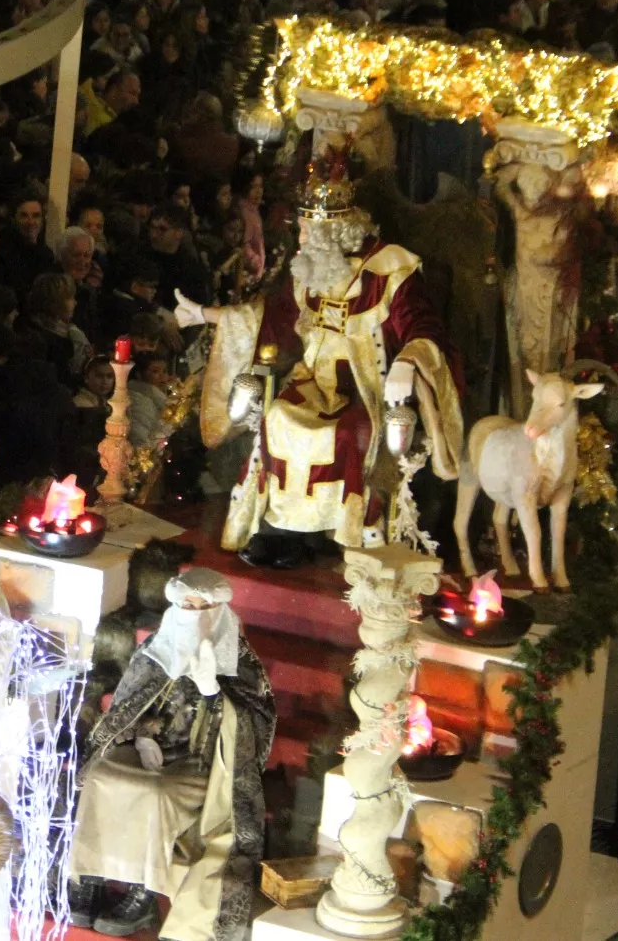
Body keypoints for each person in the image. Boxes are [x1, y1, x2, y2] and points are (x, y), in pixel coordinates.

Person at [175, 165, 464, 566]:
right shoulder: (309, 271)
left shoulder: (388, 271)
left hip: (367, 387)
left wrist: (409, 361)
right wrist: (206, 314)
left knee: (345, 432)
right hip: (313, 381)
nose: (303, 238)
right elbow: (270, 319)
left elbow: (422, 326)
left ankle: (339, 531)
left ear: (337, 233)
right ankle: (283, 531)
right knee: (278, 416)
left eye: (311, 231)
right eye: (304, 228)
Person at [70, 569, 274, 941]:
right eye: (188, 606)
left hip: (201, 764)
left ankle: (142, 891)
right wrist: (136, 731)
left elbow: (254, 725)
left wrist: (213, 690)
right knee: (101, 777)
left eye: (205, 607)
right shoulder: (154, 651)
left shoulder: (240, 661)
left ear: (221, 610)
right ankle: (88, 875)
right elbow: (127, 703)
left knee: (156, 794)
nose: (195, 614)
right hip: (148, 747)